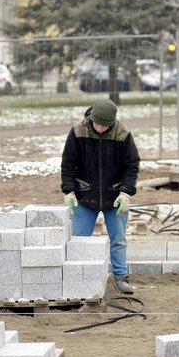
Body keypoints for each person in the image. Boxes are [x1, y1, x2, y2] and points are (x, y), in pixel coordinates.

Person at [61, 98, 140, 294]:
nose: (101, 128)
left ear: (112, 123)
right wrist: (69, 191)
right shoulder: (78, 131)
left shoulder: (122, 134)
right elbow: (68, 164)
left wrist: (125, 192)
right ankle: (78, 278)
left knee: (119, 239)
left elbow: (131, 166)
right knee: (79, 239)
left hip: (115, 197)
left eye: (105, 126)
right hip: (85, 196)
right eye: (98, 124)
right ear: (91, 118)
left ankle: (120, 277)